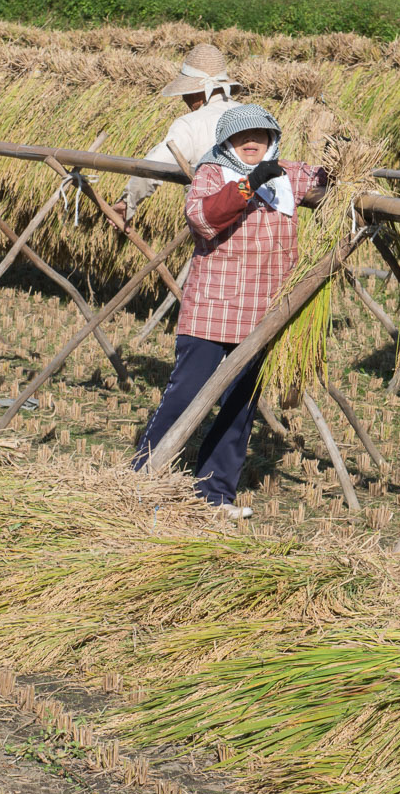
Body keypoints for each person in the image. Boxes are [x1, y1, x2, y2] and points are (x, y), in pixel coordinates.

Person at [132, 105, 328, 517]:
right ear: (227, 143)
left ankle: (215, 494)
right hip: (213, 307)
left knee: (241, 405)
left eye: (260, 135)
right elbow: (201, 219)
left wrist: (339, 171)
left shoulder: (287, 172)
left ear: (272, 139)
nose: (252, 142)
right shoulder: (213, 173)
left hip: (263, 312)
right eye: (243, 138)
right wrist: (248, 185)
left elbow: (324, 186)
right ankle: (142, 477)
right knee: (185, 394)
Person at [121, 43, 242, 214]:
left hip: (216, 218)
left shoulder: (192, 123)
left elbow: (156, 164)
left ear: (196, 93)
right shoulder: (251, 114)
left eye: (185, 92)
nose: (184, 99)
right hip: (258, 222)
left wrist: (128, 202)